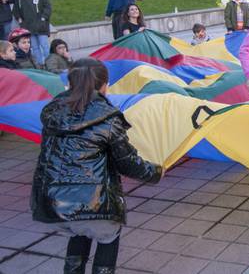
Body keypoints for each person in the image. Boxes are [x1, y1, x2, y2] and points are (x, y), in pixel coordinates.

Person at [31, 58, 163, 274]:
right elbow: (128, 163)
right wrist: (156, 171)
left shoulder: (52, 114)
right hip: (95, 204)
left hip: (52, 203)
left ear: (70, 85)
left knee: (78, 230)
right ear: (104, 86)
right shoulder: (107, 119)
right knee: (106, 235)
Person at [13, 0, 51, 65]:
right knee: (34, 48)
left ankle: (50, 65)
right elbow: (15, 10)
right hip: (28, 27)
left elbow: (48, 6)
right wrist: (20, 20)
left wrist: (43, 18)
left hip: (41, 25)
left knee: (45, 46)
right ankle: (40, 66)